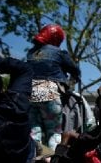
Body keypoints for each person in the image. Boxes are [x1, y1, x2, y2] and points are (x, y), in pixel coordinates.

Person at [26, 23, 81, 151]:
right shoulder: (58, 52)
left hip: (30, 91)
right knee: (54, 131)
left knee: (34, 131)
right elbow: (74, 70)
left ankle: (35, 158)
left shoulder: (31, 53)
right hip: (49, 90)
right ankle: (53, 159)